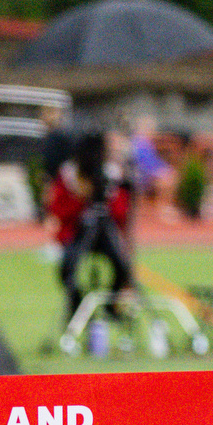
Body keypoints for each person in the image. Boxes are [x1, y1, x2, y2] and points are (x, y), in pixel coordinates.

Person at [43, 133, 135, 320]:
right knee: (67, 266)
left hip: (105, 232)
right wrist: (81, 200)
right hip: (78, 231)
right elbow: (57, 208)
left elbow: (121, 211)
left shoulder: (110, 173)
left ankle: (111, 305)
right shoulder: (69, 174)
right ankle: (78, 306)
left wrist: (108, 196)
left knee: (123, 265)